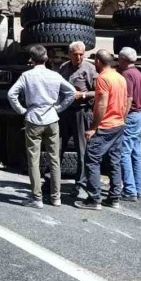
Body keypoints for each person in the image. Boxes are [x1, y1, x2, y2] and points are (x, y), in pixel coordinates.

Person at [8, 45, 76, 208]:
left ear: (31, 59)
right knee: (54, 159)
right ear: (45, 59)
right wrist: (58, 108)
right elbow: (72, 93)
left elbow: (12, 94)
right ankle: (56, 197)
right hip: (52, 119)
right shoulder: (54, 75)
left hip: (33, 119)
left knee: (33, 159)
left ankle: (37, 198)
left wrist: (22, 110)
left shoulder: (26, 75)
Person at [75, 49, 128, 210]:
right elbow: (126, 102)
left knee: (91, 160)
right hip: (118, 125)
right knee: (114, 161)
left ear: (98, 61)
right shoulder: (120, 77)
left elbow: (102, 104)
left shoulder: (103, 78)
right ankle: (114, 198)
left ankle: (94, 199)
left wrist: (93, 128)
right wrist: (122, 120)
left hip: (105, 126)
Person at [58, 40, 97, 198]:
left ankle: (80, 185)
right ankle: (52, 181)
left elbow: (98, 92)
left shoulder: (90, 69)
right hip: (65, 112)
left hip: (81, 112)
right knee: (57, 147)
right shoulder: (63, 68)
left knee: (82, 151)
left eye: (82, 54)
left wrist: (84, 94)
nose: (79, 57)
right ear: (69, 54)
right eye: (76, 54)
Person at [117, 47, 141, 201]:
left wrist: (122, 118)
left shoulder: (127, 74)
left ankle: (129, 190)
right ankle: (138, 188)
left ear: (123, 59)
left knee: (124, 153)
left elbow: (128, 98)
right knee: (136, 154)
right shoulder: (139, 74)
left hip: (131, 116)